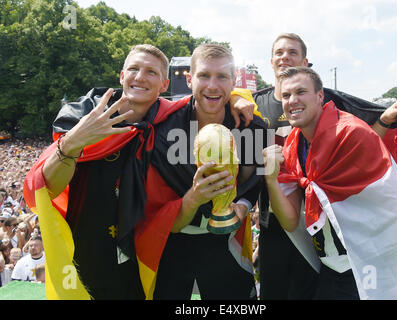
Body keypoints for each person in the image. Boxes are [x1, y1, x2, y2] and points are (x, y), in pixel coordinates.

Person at [23, 44, 253, 300]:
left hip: (140, 248)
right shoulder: (89, 114)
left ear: (164, 84)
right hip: (89, 244)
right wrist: (72, 142)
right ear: (121, 75)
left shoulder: (164, 117)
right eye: (133, 69)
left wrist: (239, 96)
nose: (140, 77)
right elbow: (48, 187)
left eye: (151, 72)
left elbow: (208, 93)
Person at [230, 33, 397, 300]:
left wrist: (383, 120)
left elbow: (364, 148)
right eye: (279, 52)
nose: (285, 57)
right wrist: (235, 97)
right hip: (277, 219)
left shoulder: (344, 124)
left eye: (292, 52)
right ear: (270, 61)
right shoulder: (256, 107)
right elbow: (212, 101)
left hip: (335, 235)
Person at [262, 66, 397, 299]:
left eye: (301, 92)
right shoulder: (291, 148)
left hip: (371, 262)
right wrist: (271, 180)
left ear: (320, 96)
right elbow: (291, 221)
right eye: (286, 95)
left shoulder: (351, 133)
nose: (292, 100)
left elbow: (387, 198)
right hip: (333, 268)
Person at [150, 44, 267, 300]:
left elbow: (255, 179)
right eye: (204, 75)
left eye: (222, 77)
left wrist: (244, 206)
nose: (213, 85)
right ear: (190, 80)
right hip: (172, 241)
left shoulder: (252, 127)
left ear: (233, 81)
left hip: (227, 241)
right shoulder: (163, 124)